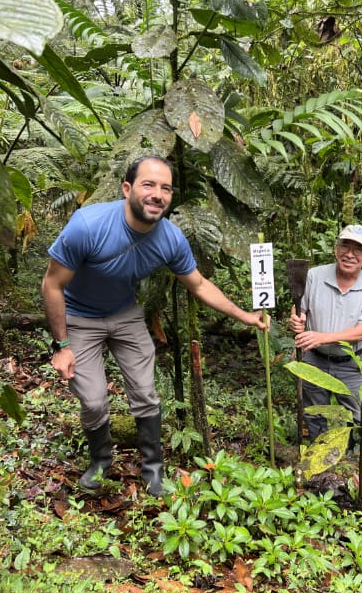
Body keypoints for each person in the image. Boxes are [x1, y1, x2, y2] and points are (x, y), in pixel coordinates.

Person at [41, 155, 267, 496]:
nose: (157, 194)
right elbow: (52, 285)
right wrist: (61, 346)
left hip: (125, 312)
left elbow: (199, 284)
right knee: (93, 401)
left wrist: (244, 315)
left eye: (166, 188)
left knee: (145, 393)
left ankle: (153, 470)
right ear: (128, 188)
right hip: (79, 316)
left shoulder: (171, 239)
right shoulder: (88, 225)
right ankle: (101, 462)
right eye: (149, 185)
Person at [289, 224, 362, 449]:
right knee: (314, 412)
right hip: (314, 358)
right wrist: (296, 318)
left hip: (351, 363)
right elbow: (300, 307)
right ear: (336, 248)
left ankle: (356, 459)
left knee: (356, 414)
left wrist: (322, 337)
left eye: (358, 249)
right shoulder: (314, 275)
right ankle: (319, 456)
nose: (350, 254)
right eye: (345, 246)